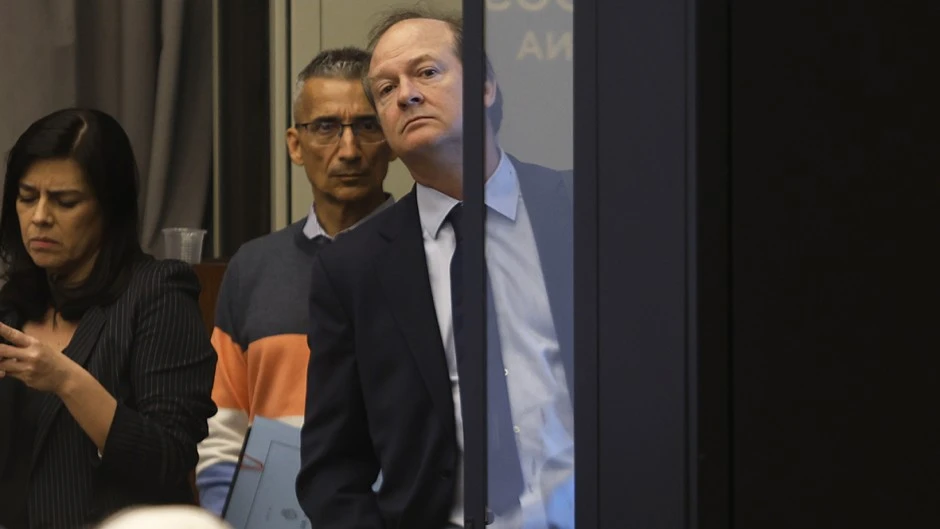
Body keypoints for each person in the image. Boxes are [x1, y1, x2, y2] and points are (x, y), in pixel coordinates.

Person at [296, 8, 574, 529]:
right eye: (386, 89)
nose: (406, 95)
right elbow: (332, 468)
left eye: (426, 72)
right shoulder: (353, 269)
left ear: (485, 87)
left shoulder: (582, 211)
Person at [195, 47, 396, 514]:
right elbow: (222, 429)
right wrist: (225, 518)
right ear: (294, 144)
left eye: (367, 126)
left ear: (391, 138)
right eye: (325, 127)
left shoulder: (429, 257)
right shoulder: (254, 267)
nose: (349, 149)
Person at [0, 108, 218, 529]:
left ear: (109, 208)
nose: (40, 216)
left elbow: (168, 459)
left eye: (65, 201)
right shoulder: (15, 304)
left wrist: (65, 379)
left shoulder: (157, 292)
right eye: (27, 197)